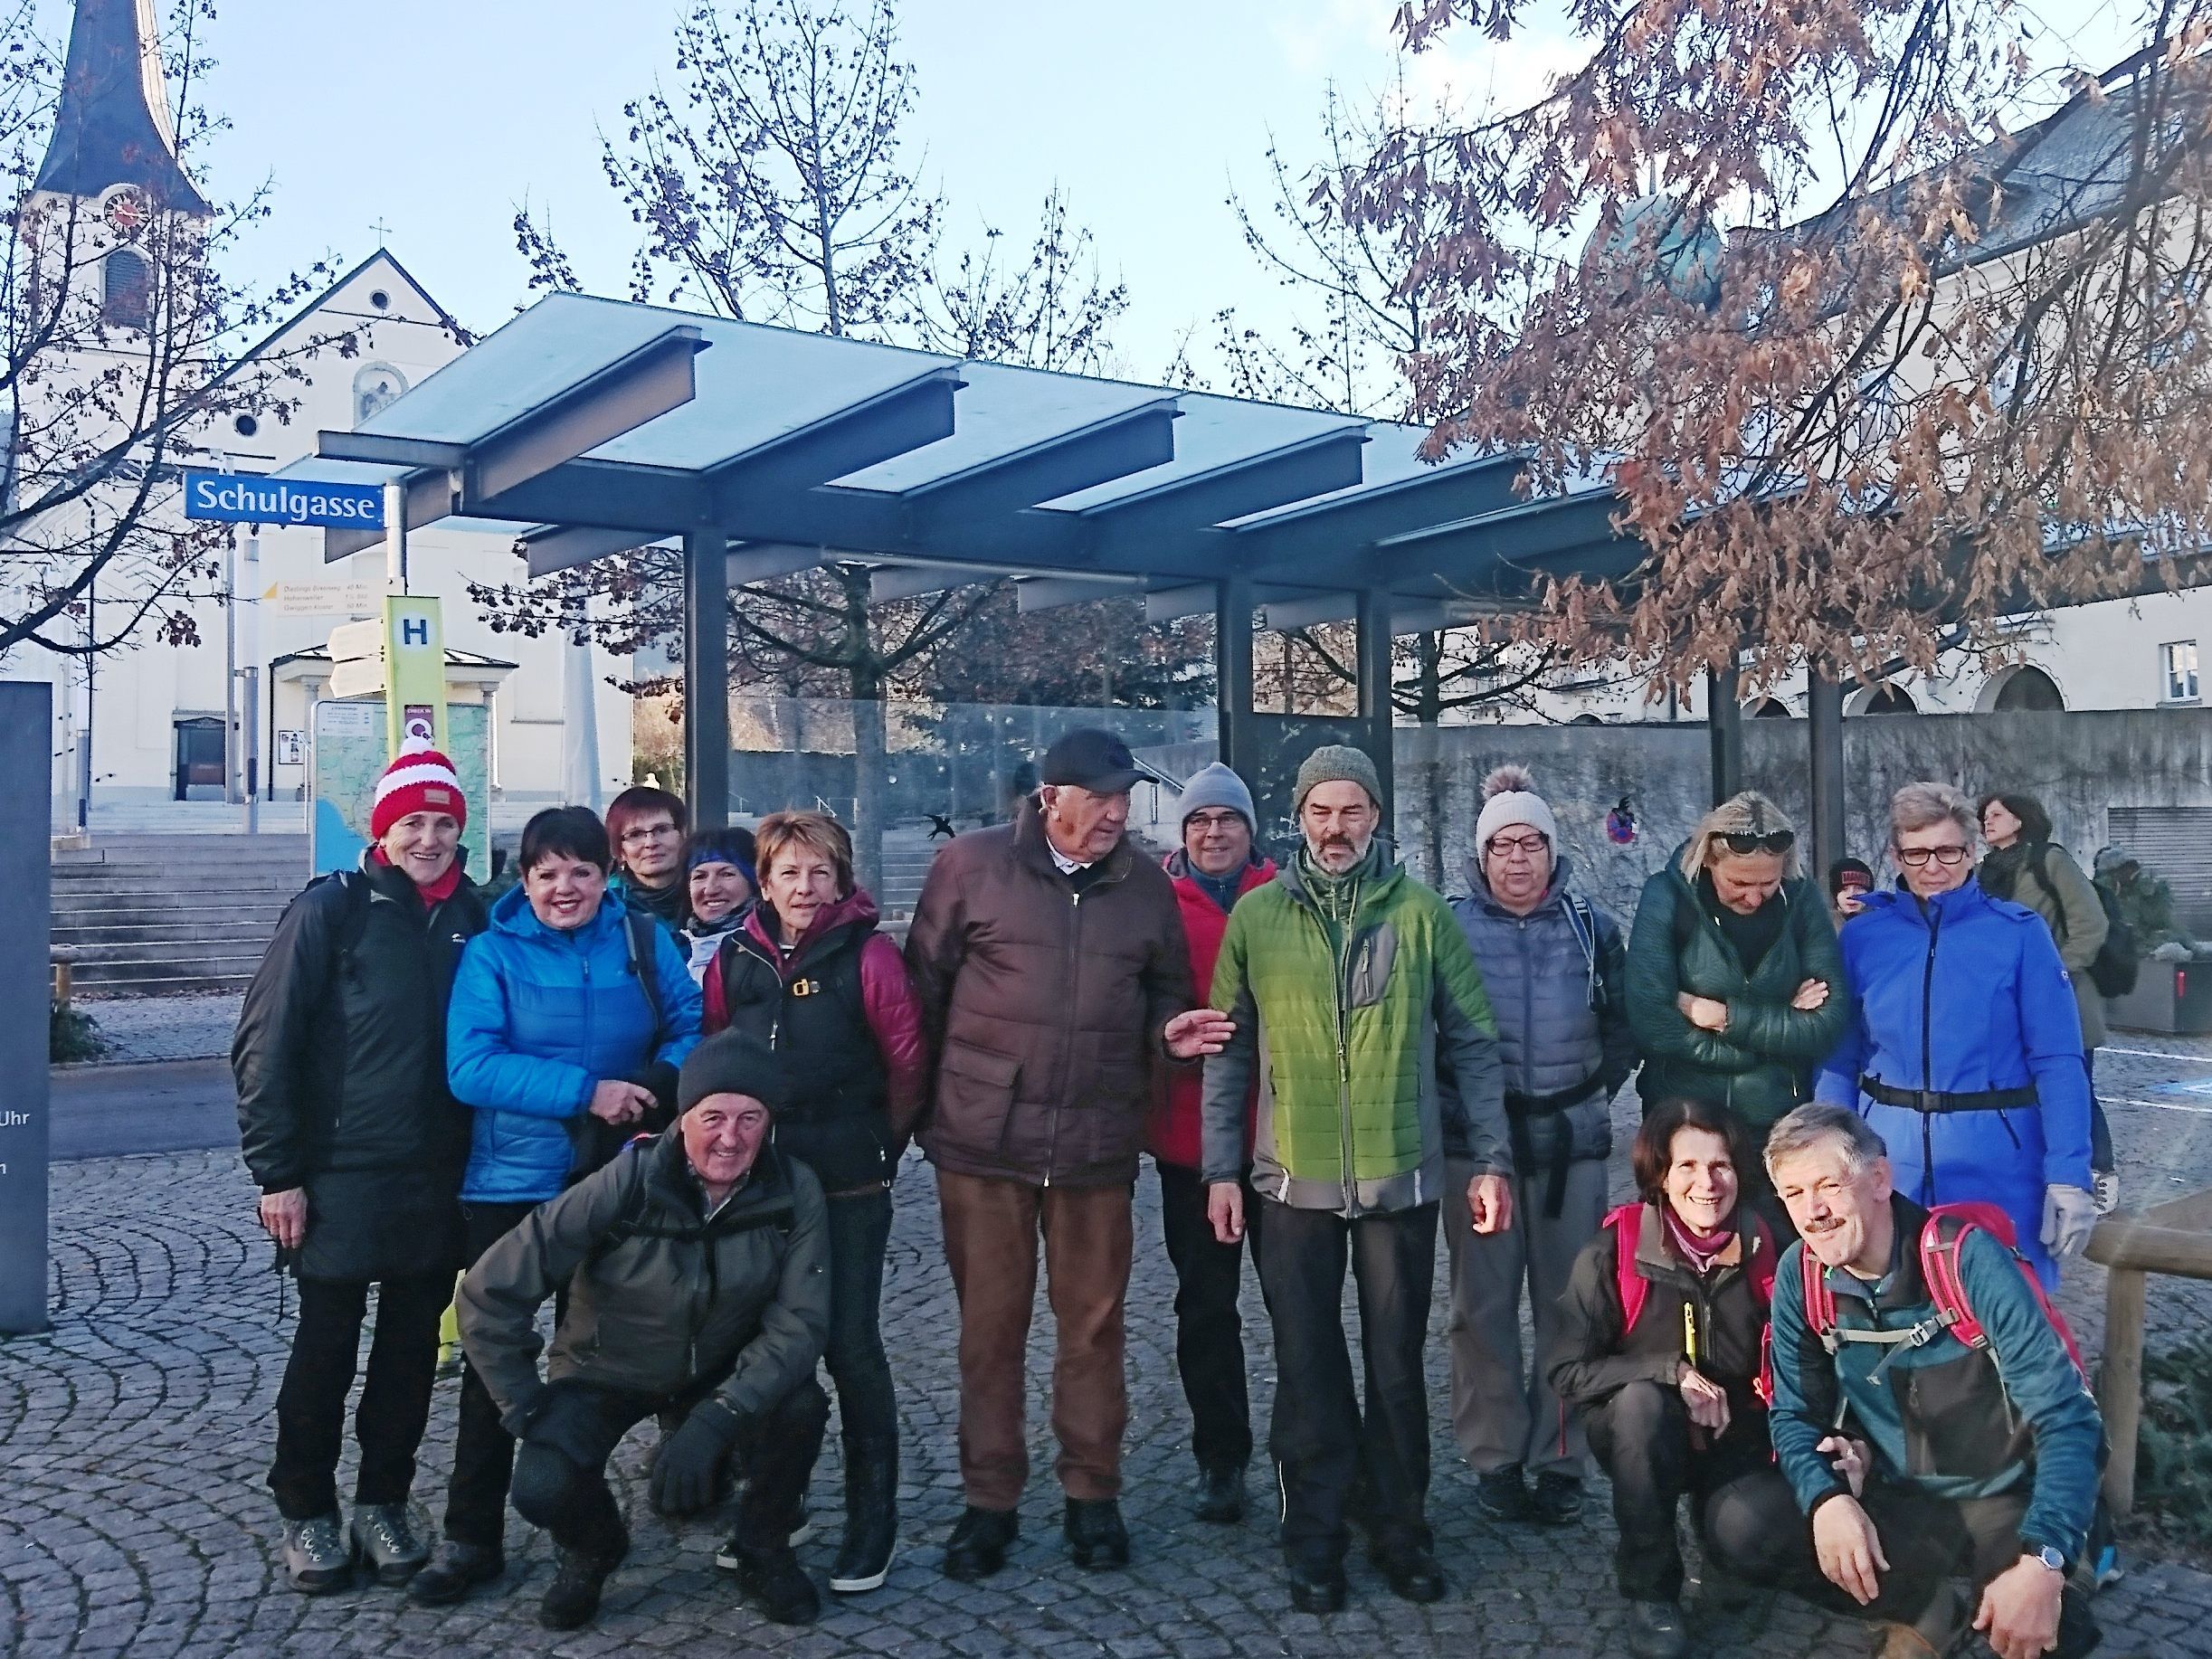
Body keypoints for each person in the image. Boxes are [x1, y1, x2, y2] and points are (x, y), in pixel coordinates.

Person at [905, 727, 1230, 1583]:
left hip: (1095, 1141)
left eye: (1126, 799)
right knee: (988, 1333)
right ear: (1051, 799)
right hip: (983, 1145)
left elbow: (1164, 990)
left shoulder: (1146, 887)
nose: (1119, 813)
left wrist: (1168, 1032)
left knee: (1093, 1330)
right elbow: (921, 994)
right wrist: (919, 1119)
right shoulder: (970, 867)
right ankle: (989, 1504)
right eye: (1102, 799)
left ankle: (1093, 1496)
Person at [1202, 744, 1513, 1614]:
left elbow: (1474, 1043)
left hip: (1398, 1181)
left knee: (1395, 1368)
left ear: (1376, 817)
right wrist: (1221, 1169)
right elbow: (1225, 1060)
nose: (1335, 828)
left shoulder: (1421, 916)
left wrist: (1489, 1160)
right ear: (1297, 820)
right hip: (1288, 1184)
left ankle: (1400, 1528)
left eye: (1351, 811)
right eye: (1319, 812)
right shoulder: (1257, 918)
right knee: (1305, 1369)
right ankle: (1314, 1537)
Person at [409, 805, 704, 1607]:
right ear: (526, 880)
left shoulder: (641, 941)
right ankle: (470, 1536)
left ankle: (613, 1512)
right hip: (512, 1184)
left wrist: (654, 1086)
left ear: (604, 873)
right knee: (489, 1359)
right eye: (547, 873)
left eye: (580, 870)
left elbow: (689, 1024)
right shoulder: (494, 954)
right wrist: (587, 1092)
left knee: (630, 1338)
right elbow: (470, 1067)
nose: (564, 887)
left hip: (622, 1175)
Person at [456, 1032, 832, 1631]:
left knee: (800, 1404)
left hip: (715, 1367)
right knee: (543, 1485)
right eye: (712, 1117)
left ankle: (762, 1546)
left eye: (749, 1119)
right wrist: (524, 1407)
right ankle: (593, 1548)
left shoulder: (793, 1188)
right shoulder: (626, 1181)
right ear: (683, 1119)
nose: (730, 1138)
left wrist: (720, 1416)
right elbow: (489, 1290)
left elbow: (800, 1321)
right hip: (608, 1370)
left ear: (769, 1124)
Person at [234, 739, 489, 1594]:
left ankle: (384, 1499)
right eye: (412, 822)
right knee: (325, 1348)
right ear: (383, 829)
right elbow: (266, 1044)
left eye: (444, 823)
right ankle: (305, 1507)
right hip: (340, 1170)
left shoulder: (474, 917)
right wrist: (278, 1173)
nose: (429, 838)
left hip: (436, 1171)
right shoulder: (332, 910)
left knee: (411, 1352)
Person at [1737, 1104, 2104, 1659]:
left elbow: (2068, 1418)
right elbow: (1793, 1414)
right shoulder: (1801, 1272)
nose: (1812, 1212)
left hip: (2001, 1496)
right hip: (1897, 1495)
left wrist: (2045, 1558)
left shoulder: (1967, 1261)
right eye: (1793, 1194)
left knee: (2044, 1633)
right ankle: (1923, 1612)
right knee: (1740, 1525)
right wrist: (1827, 1502)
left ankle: (2054, 1575)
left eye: (1828, 1185)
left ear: (1880, 1179)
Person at [701, 810, 925, 1594]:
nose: (804, 886)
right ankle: (775, 1508)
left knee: (850, 1346)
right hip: (763, 1184)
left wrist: (879, 1149)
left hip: (848, 1178)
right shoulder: (734, 959)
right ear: (763, 881)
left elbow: (905, 1065)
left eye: (819, 871)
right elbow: (719, 1054)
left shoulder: (869, 956)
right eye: (789, 872)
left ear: (841, 879)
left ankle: (873, 1520)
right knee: (768, 1345)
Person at [1444, 764, 1634, 1529]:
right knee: (1480, 1309)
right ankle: (1493, 1455)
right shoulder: (1448, 928)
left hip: (1570, 1147)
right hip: (1476, 1152)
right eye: (1502, 846)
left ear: (1552, 852)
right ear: (1481, 855)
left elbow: (1623, 1028)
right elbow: (1433, 1039)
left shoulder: (1593, 928)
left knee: (1572, 1308)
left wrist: (1590, 1094)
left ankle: (1559, 1456)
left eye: (1531, 844)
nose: (1517, 859)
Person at [1815, 783, 2093, 1288]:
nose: (1933, 867)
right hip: (1888, 1162)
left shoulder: (2019, 933)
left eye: (1948, 851)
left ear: (1972, 851)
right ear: (1896, 854)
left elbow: (2058, 1060)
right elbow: (1840, 1055)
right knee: (1896, 1320)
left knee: (2001, 1320)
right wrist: (1829, 1158)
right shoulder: (1863, 937)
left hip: (1997, 1162)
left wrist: (2069, 1173)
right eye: (1916, 853)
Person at [1549, 1097, 1792, 1659]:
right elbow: (1564, 1370)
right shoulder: (1612, 1250)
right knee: (1641, 1405)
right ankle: (1649, 1590)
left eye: (1721, 1165)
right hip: (1642, 1435)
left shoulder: (1768, 1244)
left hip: (1739, 1431)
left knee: (1759, 1533)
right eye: (1687, 1166)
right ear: (1659, 1175)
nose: (1707, 1183)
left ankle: (1726, 1549)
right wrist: (1668, 1371)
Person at [1143, 761, 1278, 1525]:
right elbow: (1140, 999)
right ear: (1183, 832)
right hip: (1188, 1140)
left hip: (1281, 1137)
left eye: (1226, 819)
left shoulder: (1284, 896)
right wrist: (1166, 1036)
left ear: (1248, 830)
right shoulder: (1159, 906)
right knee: (1205, 1307)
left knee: (1297, 1307)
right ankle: (1219, 1457)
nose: (1213, 832)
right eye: (1199, 821)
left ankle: (1307, 1451)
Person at [1625, 791, 1849, 1153]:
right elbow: (1651, 1021)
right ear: (1709, 862)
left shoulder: (1803, 900)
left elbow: (1828, 1023)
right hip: (1687, 1120)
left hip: (1779, 1122)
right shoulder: (1666, 895)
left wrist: (1725, 1018)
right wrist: (1767, 1040)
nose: (1754, 898)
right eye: (1739, 884)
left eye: (1768, 884)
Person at [1979, 792, 2116, 1209]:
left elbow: (2090, 924)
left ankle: (2100, 1173)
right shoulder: (1985, 871)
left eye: (1997, 814)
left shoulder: (2048, 861)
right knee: (2021, 1089)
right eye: (1984, 816)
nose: (1987, 821)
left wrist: (2056, 972)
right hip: (2005, 1002)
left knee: (2075, 1088)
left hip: (2064, 997)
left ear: (2020, 820)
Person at [605, 783, 690, 934]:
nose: (651, 843)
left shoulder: (710, 892)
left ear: (683, 834)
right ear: (620, 850)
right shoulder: (606, 905)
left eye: (661, 830)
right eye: (635, 834)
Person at [680, 824, 758, 981]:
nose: (710, 890)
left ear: (755, 882)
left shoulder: (768, 953)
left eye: (727, 874)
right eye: (699, 877)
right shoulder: (671, 951)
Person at [1828, 857, 1875, 930]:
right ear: (1835, 895)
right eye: (1844, 889)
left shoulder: (1881, 926)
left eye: (1858, 888)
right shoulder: (1823, 927)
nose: (1851, 895)